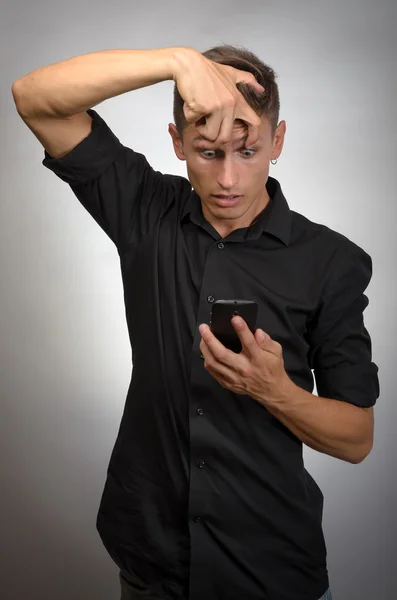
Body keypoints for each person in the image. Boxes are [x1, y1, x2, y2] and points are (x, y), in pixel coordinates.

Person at [12, 45, 379, 600]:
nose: (228, 178)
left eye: (248, 150)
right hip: (152, 561)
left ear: (277, 142)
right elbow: (33, 99)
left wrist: (275, 392)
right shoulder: (145, 209)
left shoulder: (331, 262)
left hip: (270, 568)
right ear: (177, 142)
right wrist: (175, 61)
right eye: (207, 152)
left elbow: (356, 439)